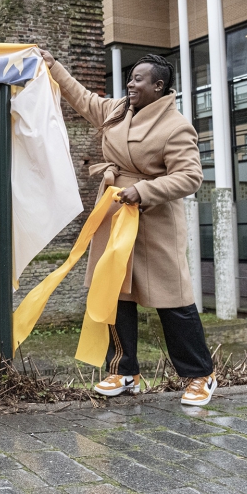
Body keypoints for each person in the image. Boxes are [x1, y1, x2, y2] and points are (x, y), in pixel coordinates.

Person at [40, 49, 216, 406]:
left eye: (138, 79)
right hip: (115, 214)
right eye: (131, 78)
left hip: (155, 221)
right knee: (114, 293)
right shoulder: (118, 110)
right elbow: (83, 98)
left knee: (173, 301)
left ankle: (201, 375)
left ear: (159, 85)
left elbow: (190, 176)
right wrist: (53, 65)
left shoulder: (176, 126)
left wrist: (144, 190)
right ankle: (124, 371)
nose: (130, 84)